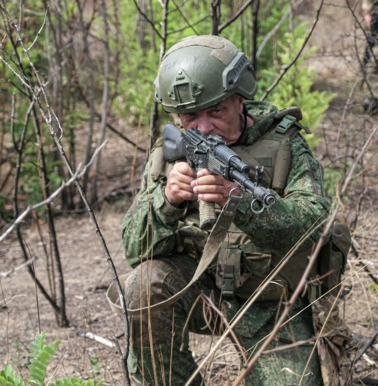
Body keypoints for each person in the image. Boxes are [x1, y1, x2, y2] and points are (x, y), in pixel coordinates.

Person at [111, 35, 350, 385]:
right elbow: (135, 250)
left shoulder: (283, 145)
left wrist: (242, 203)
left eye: (216, 111)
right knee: (144, 285)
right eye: (190, 116)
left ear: (240, 100)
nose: (204, 127)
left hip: (270, 303)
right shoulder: (168, 156)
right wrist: (168, 199)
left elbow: (315, 227)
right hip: (201, 293)